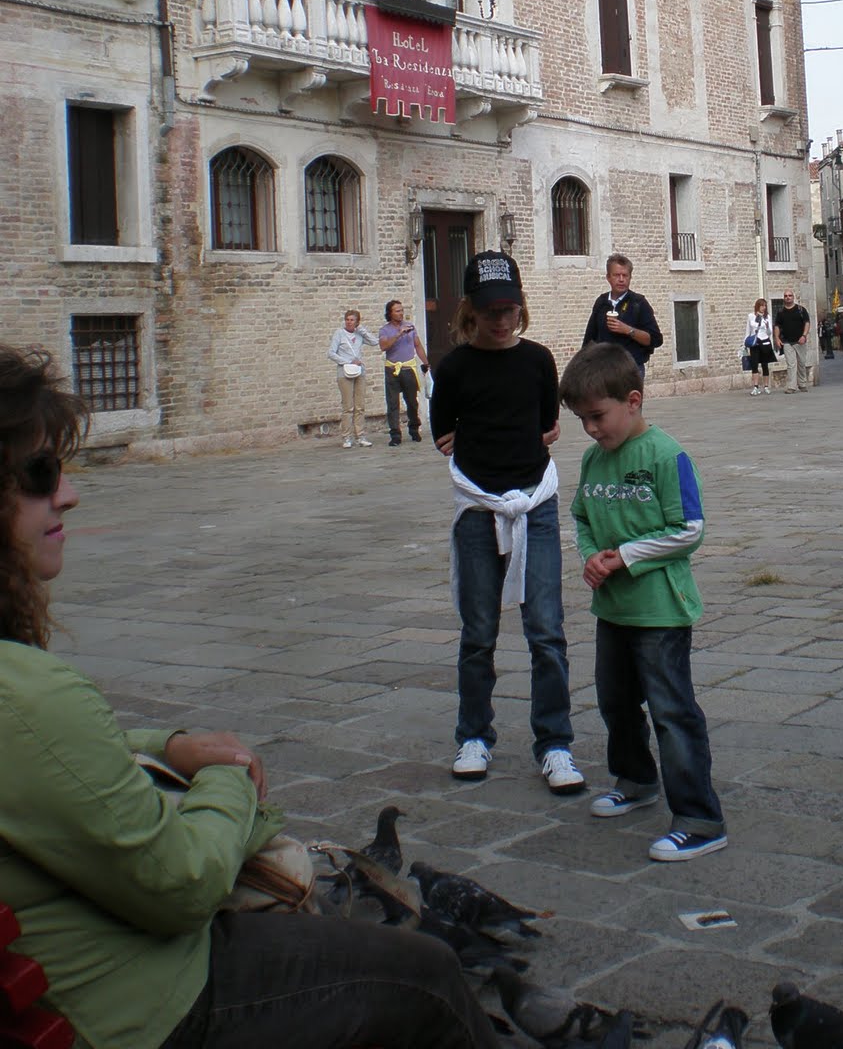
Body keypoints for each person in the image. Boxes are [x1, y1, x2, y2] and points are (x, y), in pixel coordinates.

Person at [0, 346, 499, 1049]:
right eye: (40, 475)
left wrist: (164, 748)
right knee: (430, 978)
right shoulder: (27, 695)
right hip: (142, 1006)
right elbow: (182, 884)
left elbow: (45, 761)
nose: (69, 494)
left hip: (62, 977)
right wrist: (229, 777)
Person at [560, 343, 726, 864]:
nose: (590, 430)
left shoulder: (665, 455)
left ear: (632, 401)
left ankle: (700, 818)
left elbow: (690, 530)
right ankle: (635, 780)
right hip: (613, 611)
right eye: (581, 419)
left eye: (597, 416)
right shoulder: (592, 460)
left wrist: (626, 556)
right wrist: (590, 556)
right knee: (615, 702)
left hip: (660, 612)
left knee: (671, 712)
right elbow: (583, 517)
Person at [431, 252, 584, 796]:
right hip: (479, 511)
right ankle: (474, 735)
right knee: (478, 633)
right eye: (491, 311)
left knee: (547, 630)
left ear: (521, 308)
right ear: (471, 311)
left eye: (510, 309)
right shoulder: (452, 368)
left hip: (533, 505)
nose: (501, 321)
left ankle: (555, 743)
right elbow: (441, 430)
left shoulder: (539, 360)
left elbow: (547, 424)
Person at [582, 255, 663, 377]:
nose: (621, 279)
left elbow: (656, 339)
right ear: (608, 277)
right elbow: (590, 338)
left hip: (630, 370)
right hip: (603, 370)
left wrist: (627, 330)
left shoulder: (638, 303)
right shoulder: (601, 302)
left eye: (625, 275)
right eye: (616, 275)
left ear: (630, 278)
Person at [378, 300, 429, 445]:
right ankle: (395, 435)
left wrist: (426, 363)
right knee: (393, 403)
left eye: (401, 310)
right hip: (392, 369)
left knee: (412, 402)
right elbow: (383, 346)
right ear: (390, 313)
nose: (401, 313)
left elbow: (417, 345)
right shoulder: (385, 330)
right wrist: (398, 335)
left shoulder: (410, 327)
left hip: (408, 369)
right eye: (397, 311)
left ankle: (414, 429)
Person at [327, 309, 377, 448]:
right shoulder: (339, 334)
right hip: (344, 373)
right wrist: (347, 361)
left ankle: (360, 435)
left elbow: (374, 342)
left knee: (360, 406)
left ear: (357, 322)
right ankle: (346, 437)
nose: (349, 322)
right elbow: (331, 353)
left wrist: (361, 330)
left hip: (359, 372)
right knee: (348, 406)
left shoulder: (359, 334)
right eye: (347, 319)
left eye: (352, 320)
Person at [773, 289, 811, 394]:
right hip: (787, 342)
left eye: (790, 295)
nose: (788, 297)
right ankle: (791, 386)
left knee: (802, 363)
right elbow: (777, 326)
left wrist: (804, 335)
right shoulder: (781, 312)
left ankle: (802, 384)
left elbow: (807, 323)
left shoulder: (801, 310)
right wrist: (777, 338)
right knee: (791, 365)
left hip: (800, 341)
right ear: (783, 298)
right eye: (786, 296)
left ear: (793, 297)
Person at [743, 298, 775, 395]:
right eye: (762, 306)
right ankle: (755, 387)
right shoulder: (751, 316)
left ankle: (766, 386)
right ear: (757, 306)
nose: (763, 308)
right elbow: (748, 330)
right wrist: (744, 343)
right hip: (755, 343)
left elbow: (769, 333)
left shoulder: (767, 317)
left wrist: (767, 325)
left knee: (765, 365)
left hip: (765, 342)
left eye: (765, 306)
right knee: (754, 365)